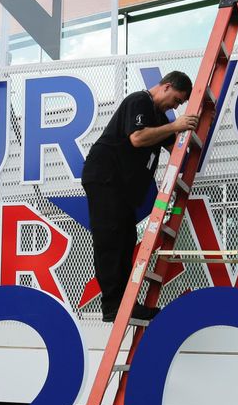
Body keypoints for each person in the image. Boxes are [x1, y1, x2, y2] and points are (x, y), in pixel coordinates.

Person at [81, 71, 199, 322]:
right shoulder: (140, 101)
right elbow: (137, 138)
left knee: (125, 241)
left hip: (123, 188)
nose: (176, 106)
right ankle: (113, 305)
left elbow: (174, 146)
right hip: (106, 178)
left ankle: (123, 304)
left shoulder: (158, 116)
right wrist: (176, 126)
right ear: (166, 87)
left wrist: (188, 138)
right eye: (176, 100)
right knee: (111, 240)